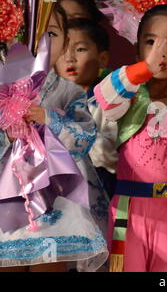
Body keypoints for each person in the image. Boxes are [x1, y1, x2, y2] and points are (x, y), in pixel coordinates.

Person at [0, 4, 108, 272]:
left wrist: (50, 120)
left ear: (66, 43)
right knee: (5, 261)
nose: (38, 42)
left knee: (50, 264)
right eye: (29, 33)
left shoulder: (67, 91)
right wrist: (6, 131)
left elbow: (84, 136)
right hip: (5, 191)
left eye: (50, 33)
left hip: (56, 193)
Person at [94, 4, 167, 272]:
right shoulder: (128, 92)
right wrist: (142, 68)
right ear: (137, 48)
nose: (161, 52)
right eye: (151, 42)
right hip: (130, 208)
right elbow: (104, 99)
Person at [55, 18, 117, 199]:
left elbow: (109, 158)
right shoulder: (50, 101)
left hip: (101, 189)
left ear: (102, 58)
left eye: (80, 49)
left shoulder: (110, 101)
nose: (69, 57)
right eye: (62, 50)